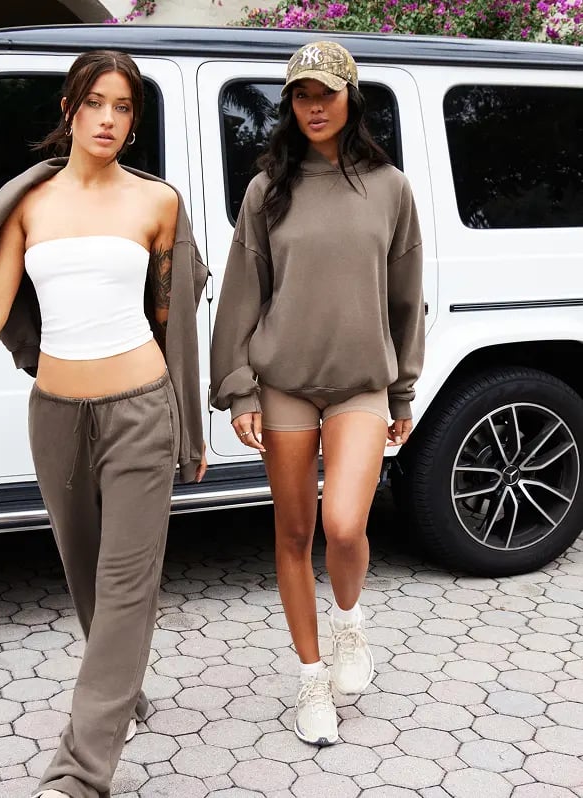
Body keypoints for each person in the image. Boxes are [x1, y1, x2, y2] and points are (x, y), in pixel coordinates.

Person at [0, 50, 208, 798]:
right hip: (56, 415)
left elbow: (172, 323)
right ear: (69, 109)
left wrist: (185, 423)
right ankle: (121, 695)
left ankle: (79, 771)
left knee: (128, 585)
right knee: (86, 575)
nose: (108, 119)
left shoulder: (157, 204)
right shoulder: (29, 204)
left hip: (139, 411)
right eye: (96, 102)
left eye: (124, 107)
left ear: (133, 121)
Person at [210, 40, 425, 746]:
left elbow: (405, 299)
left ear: (351, 99)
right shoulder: (267, 190)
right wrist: (240, 389)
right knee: (295, 533)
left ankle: (350, 625)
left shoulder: (390, 188)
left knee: (344, 528)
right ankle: (310, 679)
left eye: (326, 94)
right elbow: (244, 295)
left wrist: (403, 391)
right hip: (286, 385)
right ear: (290, 103)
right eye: (302, 94)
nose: (314, 106)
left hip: (361, 381)